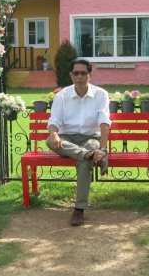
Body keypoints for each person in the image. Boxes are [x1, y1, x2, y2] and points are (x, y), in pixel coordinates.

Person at [46, 59, 111, 226]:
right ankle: (88, 155)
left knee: (84, 161)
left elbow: (104, 123)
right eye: (76, 73)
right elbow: (54, 121)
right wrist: (54, 134)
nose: (80, 76)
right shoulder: (62, 95)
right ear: (71, 75)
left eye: (83, 73)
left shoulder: (101, 95)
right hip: (67, 138)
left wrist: (103, 149)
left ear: (90, 75)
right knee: (49, 140)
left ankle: (79, 209)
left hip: (91, 138)